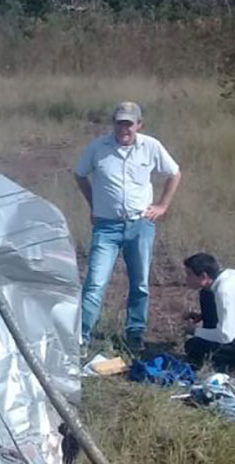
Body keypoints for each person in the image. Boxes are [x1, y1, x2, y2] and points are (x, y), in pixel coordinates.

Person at [75, 101, 182, 353]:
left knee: (140, 282)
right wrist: (94, 205)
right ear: (114, 124)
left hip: (140, 224)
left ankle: (135, 333)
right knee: (95, 282)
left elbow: (174, 173)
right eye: (120, 123)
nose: (124, 128)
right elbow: (80, 174)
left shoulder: (151, 147)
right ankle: (82, 335)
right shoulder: (97, 148)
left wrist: (162, 206)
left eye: (129, 124)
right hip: (106, 227)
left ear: (139, 125)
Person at [182, 253, 235, 369]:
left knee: (193, 346)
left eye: (189, 275)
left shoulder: (224, 291)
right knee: (206, 294)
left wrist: (195, 331)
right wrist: (203, 316)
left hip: (231, 337)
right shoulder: (229, 276)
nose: (186, 279)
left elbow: (226, 335)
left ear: (203, 276)